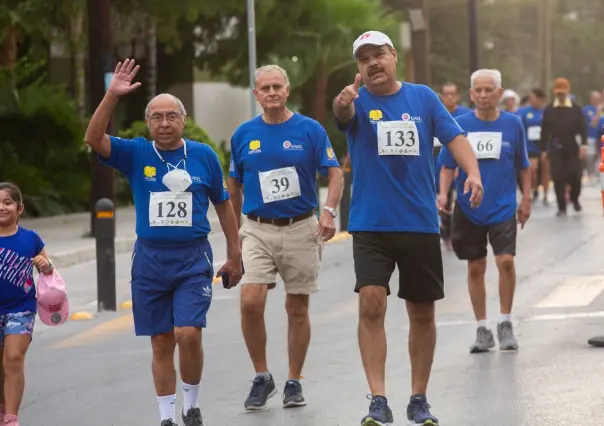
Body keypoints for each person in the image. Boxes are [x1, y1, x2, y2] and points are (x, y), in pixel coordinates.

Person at [333, 30, 483, 426]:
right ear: (359, 67)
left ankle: (419, 398)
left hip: (417, 222)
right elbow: (341, 113)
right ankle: (378, 399)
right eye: (364, 59)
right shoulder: (356, 101)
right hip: (369, 224)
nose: (372, 63)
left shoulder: (423, 98)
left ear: (393, 55)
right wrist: (343, 101)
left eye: (378, 54)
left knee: (421, 311)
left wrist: (473, 173)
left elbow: (456, 138)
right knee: (371, 302)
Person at [84, 59, 243, 426]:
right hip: (151, 260)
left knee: (187, 334)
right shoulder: (137, 153)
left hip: (192, 258)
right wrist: (111, 95)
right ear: (148, 122)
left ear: (183, 120)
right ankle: (167, 416)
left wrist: (235, 255)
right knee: (160, 342)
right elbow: (94, 138)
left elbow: (223, 206)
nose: (165, 123)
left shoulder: (202, 155)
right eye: (157, 117)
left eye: (172, 116)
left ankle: (192, 405)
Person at [228, 64, 343, 411]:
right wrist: (234, 236)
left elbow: (335, 174)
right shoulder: (244, 133)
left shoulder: (309, 129)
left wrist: (329, 212)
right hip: (258, 228)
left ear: (287, 90)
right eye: (265, 88)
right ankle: (262, 376)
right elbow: (233, 182)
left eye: (277, 86)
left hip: (300, 226)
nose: (272, 93)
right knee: (251, 301)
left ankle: (294, 379)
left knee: (297, 307)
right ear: (256, 94)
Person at [439, 69, 531, 354]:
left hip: (502, 205)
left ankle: (505, 322)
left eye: (488, 90)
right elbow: (447, 165)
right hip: (469, 206)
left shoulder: (513, 124)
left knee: (506, 262)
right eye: (477, 90)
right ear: (471, 94)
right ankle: (482, 328)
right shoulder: (459, 123)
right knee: (475, 266)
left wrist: (525, 199)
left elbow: (523, 165)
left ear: (499, 93)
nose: (482, 95)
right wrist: (443, 193)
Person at [0, 182, 55, 426]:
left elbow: (48, 266)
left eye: (7, 202)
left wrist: (46, 265)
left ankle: (11, 418)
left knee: (13, 358)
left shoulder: (30, 239)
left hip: (21, 309)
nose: (2, 207)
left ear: (19, 208)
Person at [539, 77, 588, 217]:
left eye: (563, 92)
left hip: (572, 146)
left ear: (568, 92)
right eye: (558, 93)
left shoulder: (576, 108)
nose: (561, 95)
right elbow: (544, 131)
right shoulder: (549, 110)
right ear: (555, 93)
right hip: (556, 147)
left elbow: (583, 128)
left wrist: (584, 145)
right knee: (558, 177)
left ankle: (574, 197)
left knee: (576, 175)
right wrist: (543, 149)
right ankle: (561, 206)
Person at [434, 83, 472, 250]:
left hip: (457, 165)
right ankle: (445, 229)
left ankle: (454, 230)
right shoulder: (434, 113)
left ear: (457, 96)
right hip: (435, 163)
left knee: (455, 198)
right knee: (442, 198)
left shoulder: (464, 115)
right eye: (446, 94)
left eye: (452, 94)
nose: (449, 97)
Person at [518, 88, 548, 204]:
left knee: (545, 170)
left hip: (544, 145)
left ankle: (545, 195)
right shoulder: (525, 111)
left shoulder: (546, 111)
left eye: (533, 98)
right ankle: (535, 189)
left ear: (540, 99)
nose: (531, 100)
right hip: (530, 146)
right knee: (533, 170)